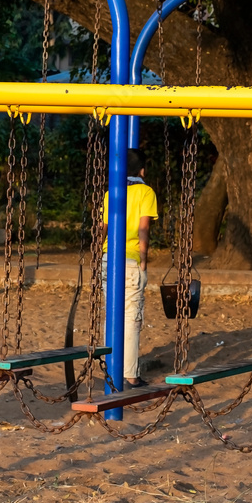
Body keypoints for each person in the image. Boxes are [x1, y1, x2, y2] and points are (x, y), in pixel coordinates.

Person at [102, 149, 158, 388]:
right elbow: (143, 228)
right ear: (142, 170)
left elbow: (104, 227)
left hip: (108, 258)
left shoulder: (111, 193)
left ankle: (109, 367)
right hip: (131, 260)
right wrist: (144, 258)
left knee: (112, 313)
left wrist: (98, 253)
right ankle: (130, 374)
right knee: (131, 316)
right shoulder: (146, 192)